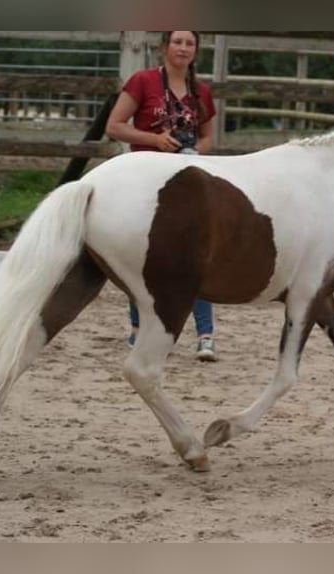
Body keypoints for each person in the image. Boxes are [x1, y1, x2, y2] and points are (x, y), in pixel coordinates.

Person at [105, 31, 218, 361]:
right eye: (178, 42)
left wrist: (194, 151)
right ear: (164, 47)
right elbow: (115, 126)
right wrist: (153, 140)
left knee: (194, 255)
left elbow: (209, 136)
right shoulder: (142, 82)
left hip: (186, 182)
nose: (183, 48)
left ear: (196, 51)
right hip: (145, 179)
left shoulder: (201, 91)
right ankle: (139, 328)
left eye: (190, 43)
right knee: (144, 256)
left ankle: (205, 334)